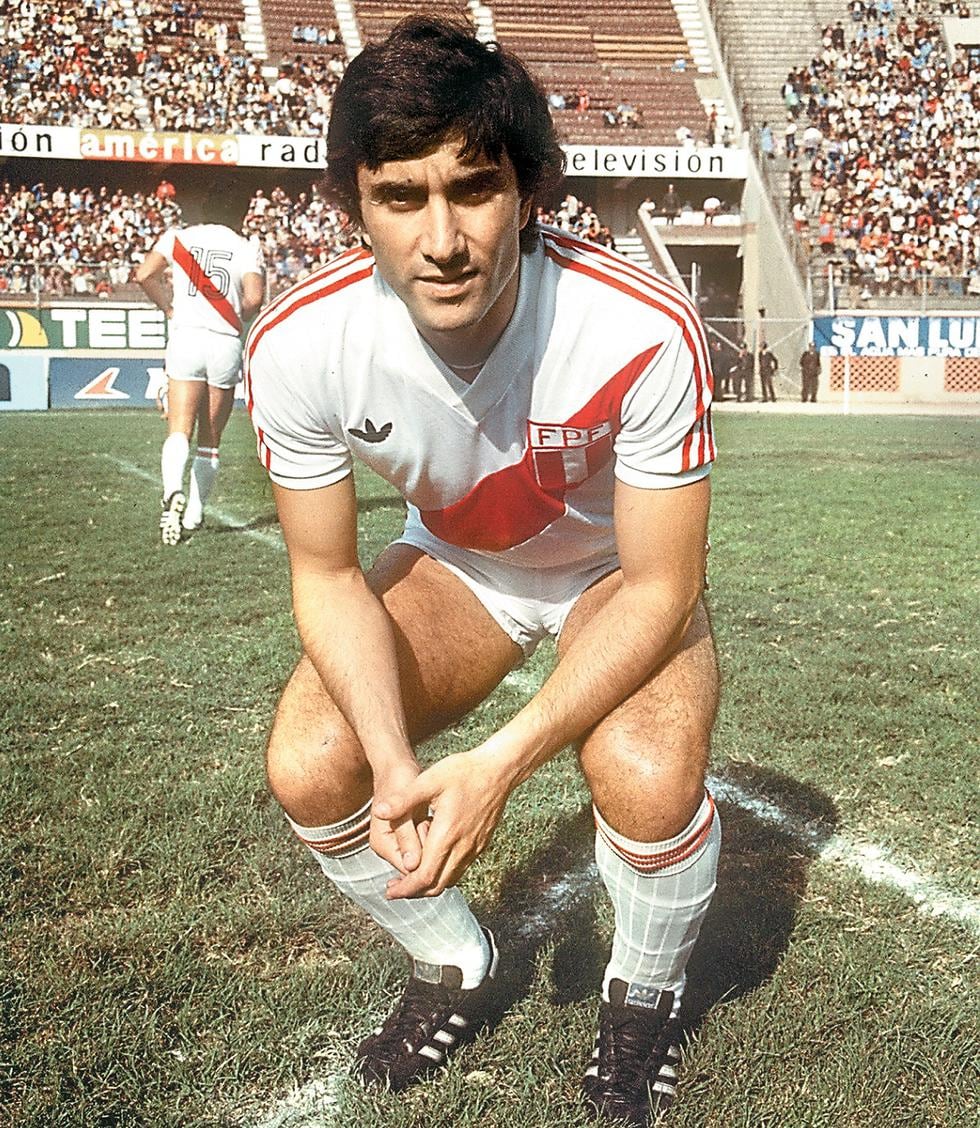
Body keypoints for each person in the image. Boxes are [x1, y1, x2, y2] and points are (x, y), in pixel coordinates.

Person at [245, 18, 720, 1127]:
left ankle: (642, 998)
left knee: (647, 778)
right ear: (351, 205)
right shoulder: (299, 345)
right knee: (315, 765)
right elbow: (324, 577)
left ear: (528, 191)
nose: (443, 237)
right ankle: (457, 963)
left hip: (611, 573)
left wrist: (495, 766)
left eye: (474, 187)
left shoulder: (642, 329)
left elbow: (658, 585)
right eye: (399, 197)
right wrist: (395, 761)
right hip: (462, 567)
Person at [135, 178, 265, 545]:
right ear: (239, 214)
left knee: (179, 428)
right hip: (224, 341)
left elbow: (144, 275)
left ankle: (171, 492)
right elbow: (254, 299)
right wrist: (234, 311)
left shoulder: (177, 237)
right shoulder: (245, 246)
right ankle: (193, 516)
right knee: (210, 441)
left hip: (186, 335)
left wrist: (170, 307)